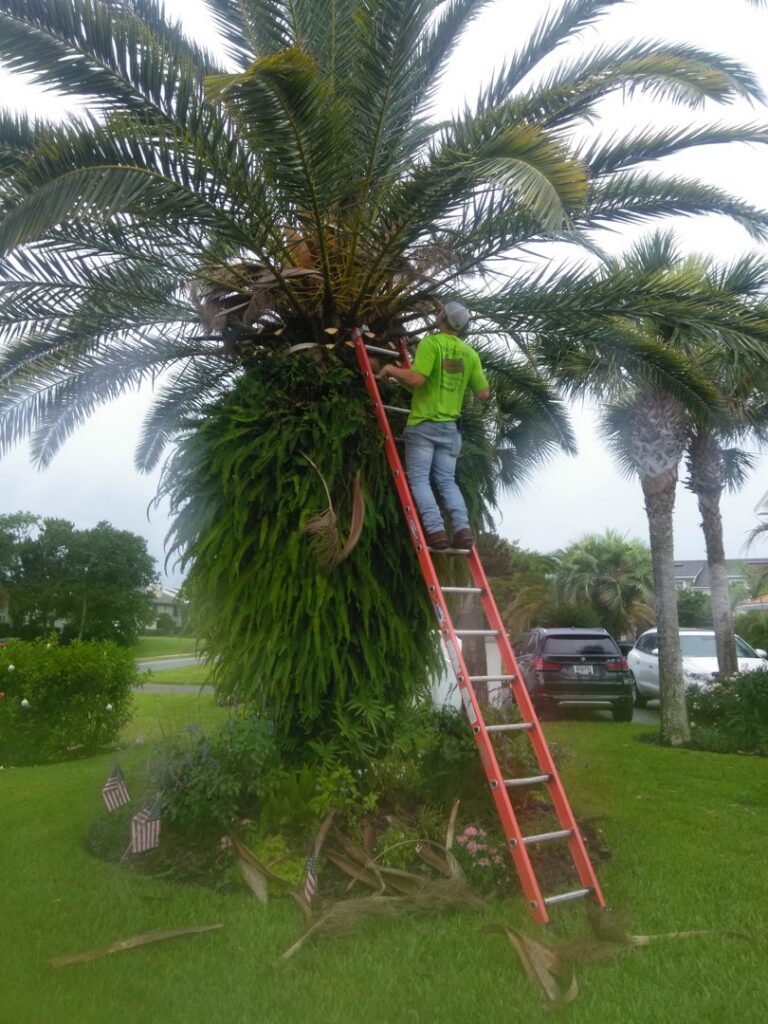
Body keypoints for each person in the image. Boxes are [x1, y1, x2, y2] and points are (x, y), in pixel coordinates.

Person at [378, 302, 490, 549]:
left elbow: (417, 380)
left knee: (419, 479)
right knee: (447, 481)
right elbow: (483, 393)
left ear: (442, 317)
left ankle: (436, 531)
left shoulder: (432, 344)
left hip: (424, 425)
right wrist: (458, 380)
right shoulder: (469, 354)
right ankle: (462, 530)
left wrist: (391, 369)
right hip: (451, 430)